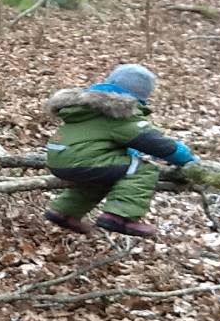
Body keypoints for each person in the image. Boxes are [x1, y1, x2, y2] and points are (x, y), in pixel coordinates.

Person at [43, 64, 198, 237]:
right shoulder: (119, 113)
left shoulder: (89, 107)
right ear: (141, 95)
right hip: (82, 160)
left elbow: (101, 138)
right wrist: (188, 160)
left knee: (104, 178)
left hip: (57, 157)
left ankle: (63, 213)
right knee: (143, 169)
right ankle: (120, 216)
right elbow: (156, 143)